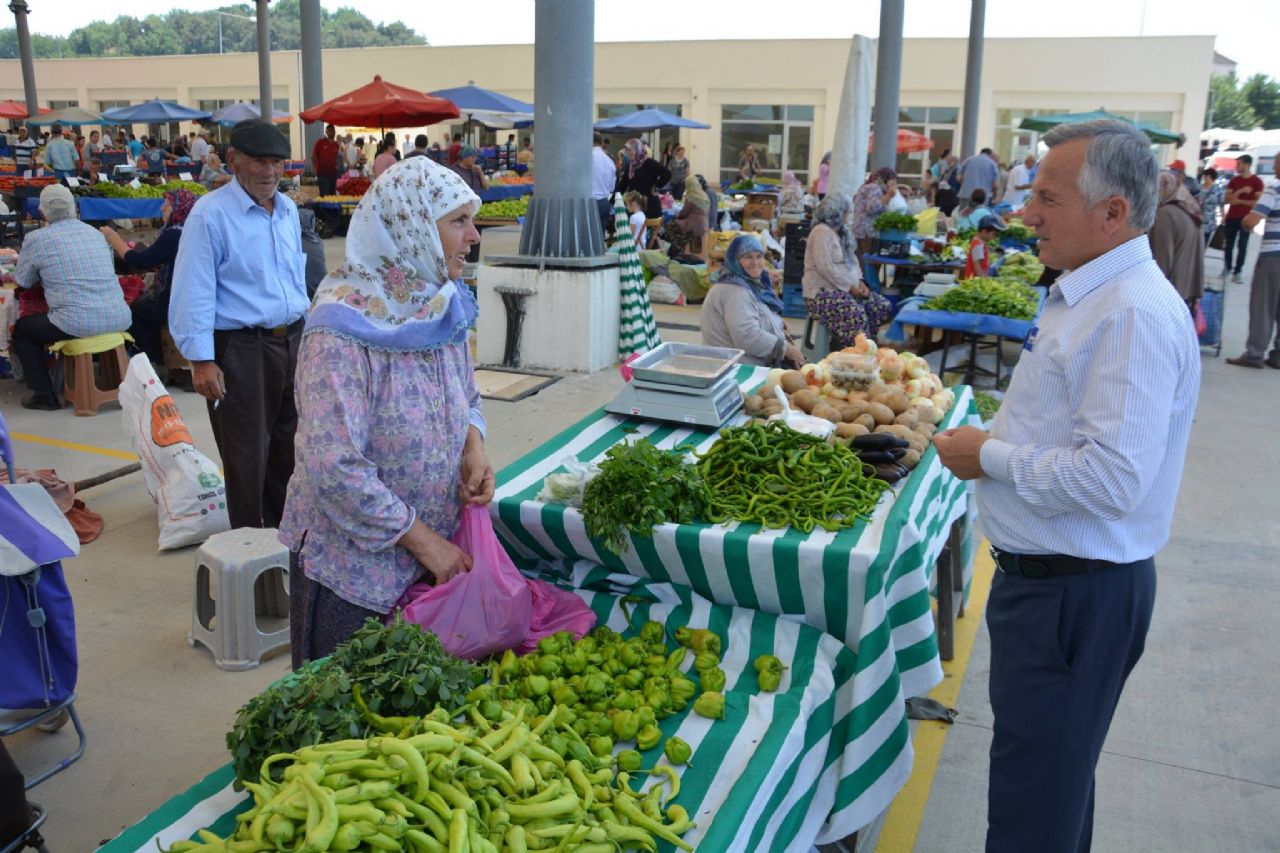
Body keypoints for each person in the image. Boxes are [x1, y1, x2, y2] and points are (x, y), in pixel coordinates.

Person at [933, 118, 1200, 853]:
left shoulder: (1131, 315)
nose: (1026, 212)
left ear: (1113, 212)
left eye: (1048, 197)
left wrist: (989, 456)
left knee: (1033, 810)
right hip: (1058, 590)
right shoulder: (1092, 295)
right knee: (1049, 789)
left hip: (1073, 596)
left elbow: (1112, 477)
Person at [279, 156, 494, 664]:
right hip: (353, 571)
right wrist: (424, 543)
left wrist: (474, 446)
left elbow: (466, 394)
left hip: (428, 552)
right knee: (347, 718)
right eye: (458, 222)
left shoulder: (439, 301)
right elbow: (332, 464)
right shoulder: (341, 328)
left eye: (472, 220)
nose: (475, 236)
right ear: (412, 227)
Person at [168, 119, 310, 530]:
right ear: (232, 160)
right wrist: (201, 360)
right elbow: (193, 288)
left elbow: (292, 280)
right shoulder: (210, 215)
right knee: (246, 456)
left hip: (291, 343)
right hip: (242, 349)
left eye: (277, 162)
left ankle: (286, 543)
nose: (269, 172)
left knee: (290, 448)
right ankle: (249, 547)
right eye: (259, 162)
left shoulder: (286, 211)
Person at [11, 184, 132, 410]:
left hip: (76, 322)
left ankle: (44, 394)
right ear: (74, 208)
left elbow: (23, 282)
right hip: (119, 316)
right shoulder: (95, 234)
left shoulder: (37, 238)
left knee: (23, 331)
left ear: (42, 212)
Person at [100, 188, 197, 367]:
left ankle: (149, 362)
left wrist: (114, 239)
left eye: (167, 205)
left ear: (178, 208)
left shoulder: (174, 234)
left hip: (175, 301)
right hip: (189, 296)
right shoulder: (191, 229)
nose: (162, 209)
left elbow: (140, 261)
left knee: (137, 311)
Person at [802, 194, 895, 348]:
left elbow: (853, 261)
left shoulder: (842, 232)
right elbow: (826, 268)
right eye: (846, 212)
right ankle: (858, 351)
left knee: (881, 306)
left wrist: (860, 281)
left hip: (848, 291)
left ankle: (865, 345)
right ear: (836, 212)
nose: (848, 215)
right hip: (821, 294)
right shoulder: (821, 232)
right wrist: (850, 288)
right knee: (855, 314)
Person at [702, 234, 799, 368]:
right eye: (748, 257)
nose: (755, 262)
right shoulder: (736, 291)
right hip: (736, 367)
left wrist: (776, 321)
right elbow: (747, 336)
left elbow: (751, 312)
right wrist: (787, 350)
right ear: (735, 260)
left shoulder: (742, 283)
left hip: (739, 361)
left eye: (759, 256)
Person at [1226, 177, 1280, 369]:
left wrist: (1244, 224)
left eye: (1276, 164)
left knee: (1263, 306)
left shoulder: (1274, 191)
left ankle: (1255, 354)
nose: (1274, 169)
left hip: (1273, 257)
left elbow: (1252, 220)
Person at [1148, 169, 1205, 312]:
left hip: (1172, 294)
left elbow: (1162, 263)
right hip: (1188, 290)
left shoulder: (1165, 215)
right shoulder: (1190, 209)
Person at [1222, 152, 1264, 283]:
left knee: (1242, 245)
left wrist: (1239, 201)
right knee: (1228, 245)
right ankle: (1227, 268)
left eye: (1239, 164)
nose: (1237, 166)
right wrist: (1240, 192)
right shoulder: (1234, 181)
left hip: (1246, 219)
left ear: (1247, 165)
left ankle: (1237, 272)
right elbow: (1227, 199)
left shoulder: (1257, 182)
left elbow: (1257, 203)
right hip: (1232, 217)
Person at [616, 138, 670, 220]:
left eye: (630, 150)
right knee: (636, 231)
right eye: (627, 150)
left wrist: (656, 187)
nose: (628, 153)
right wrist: (613, 199)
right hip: (635, 206)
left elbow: (667, 173)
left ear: (637, 150)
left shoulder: (649, 163)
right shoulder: (630, 166)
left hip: (649, 206)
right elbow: (623, 185)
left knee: (647, 231)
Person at [850, 166, 898, 259]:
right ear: (886, 178)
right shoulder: (874, 188)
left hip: (861, 231)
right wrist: (887, 196)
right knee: (868, 263)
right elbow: (872, 208)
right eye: (893, 180)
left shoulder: (870, 187)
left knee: (862, 262)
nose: (894, 183)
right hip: (867, 231)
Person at [664, 174, 710, 258]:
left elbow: (684, 213)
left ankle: (678, 249)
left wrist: (676, 215)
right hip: (704, 225)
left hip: (693, 225)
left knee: (669, 226)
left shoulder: (691, 196)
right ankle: (679, 248)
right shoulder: (704, 195)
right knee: (680, 230)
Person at [591, 131, 617, 236]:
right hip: (604, 202)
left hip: (588, 202)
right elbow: (612, 187)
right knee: (600, 237)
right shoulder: (609, 160)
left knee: (587, 239)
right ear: (601, 143)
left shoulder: (585, 157)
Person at [964, 214, 1005, 278]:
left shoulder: (980, 242)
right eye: (993, 234)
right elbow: (977, 265)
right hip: (974, 280)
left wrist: (995, 250)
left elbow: (984, 250)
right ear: (984, 232)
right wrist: (982, 280)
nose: (994, 237)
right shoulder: (978, 246)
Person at [311, 123, 342, 196]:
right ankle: (323, 207)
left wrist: (338, 165)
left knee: (332, 195)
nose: (331, 133)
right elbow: (313, 156)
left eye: (333, 131)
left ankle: (332, 207)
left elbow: (336, 158)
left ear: (335, 132)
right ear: (326, 132)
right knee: (324, 195)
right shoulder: (320, 142)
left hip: (333, 174)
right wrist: (314, 168)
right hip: (322, 174)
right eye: (330, 131)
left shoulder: (336, 145)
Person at [1199, 167, 1224, 246]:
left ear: (1210, 177)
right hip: (1196, 220)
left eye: (1206, 176)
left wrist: (1223, 216)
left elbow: (1221, 203)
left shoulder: (1217, 190)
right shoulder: (1198, 188)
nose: (1204, 178)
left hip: (1209, 222)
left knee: (1204, 244)